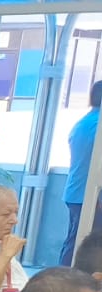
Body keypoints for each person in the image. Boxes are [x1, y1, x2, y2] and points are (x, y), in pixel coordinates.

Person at [63, 82, 101, 265]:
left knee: (74, 241)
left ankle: (64, 276)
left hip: (76, 192)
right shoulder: (98, 126)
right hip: (90, 195)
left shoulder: (84, 122)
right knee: (86, 246)